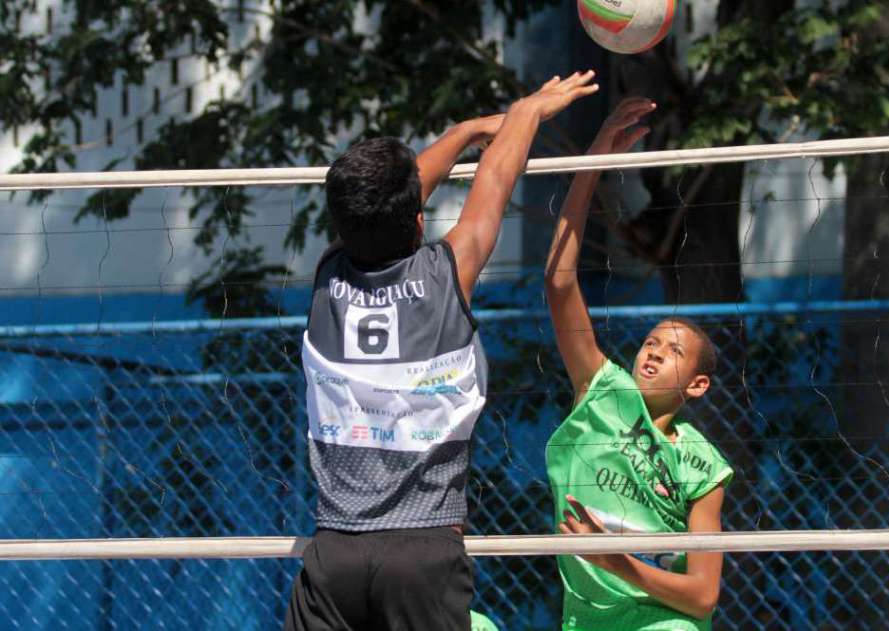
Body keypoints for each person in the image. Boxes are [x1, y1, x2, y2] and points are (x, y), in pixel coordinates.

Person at [285, 71, 599, 631]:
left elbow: (382, 209)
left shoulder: (327, 279)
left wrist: (463, 131)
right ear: (418, 218)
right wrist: (526, 111)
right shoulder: (444, 275)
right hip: (424, 552)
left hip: (334, 553)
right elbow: (497, 182)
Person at [543, 96, 734, 631]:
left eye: (672, 351)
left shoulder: (703, 464)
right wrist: (592, 162)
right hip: (586, 620)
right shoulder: (602, 391)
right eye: (651, 341)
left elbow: (701, 597)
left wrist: (617, 561)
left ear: (697, 385)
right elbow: (559, 282)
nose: (652, 351)